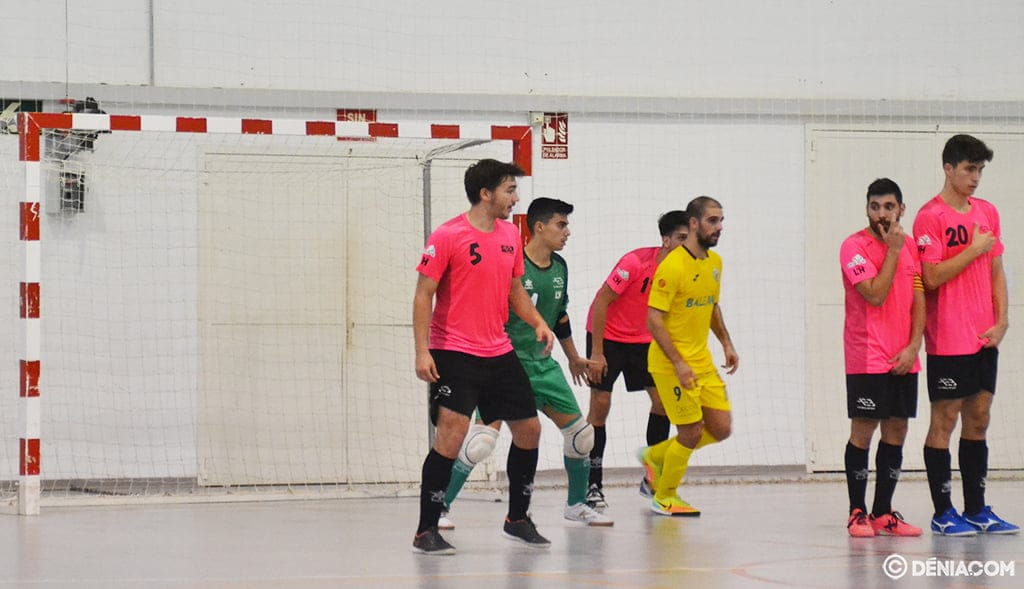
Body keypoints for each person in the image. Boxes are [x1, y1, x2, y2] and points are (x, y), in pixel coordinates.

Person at [440, 197, 613, 528]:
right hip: (506, 364)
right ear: (539, 227)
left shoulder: (560, 267)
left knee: (581, 436)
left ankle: (576, 504)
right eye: (561, 224)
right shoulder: (511, 262)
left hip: (543, 367)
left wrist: (573, 357)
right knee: (481, 442)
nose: (567, 232)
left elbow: (559, 317)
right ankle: (439, 507)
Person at [412, 159, 556, 555]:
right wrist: (422, 351)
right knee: (451, 437)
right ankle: (426, 530)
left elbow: (514, 290)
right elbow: (423, 295)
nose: (516, 198)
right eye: (510, 190)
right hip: (454, 351)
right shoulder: (448, 235)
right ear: (485, 193)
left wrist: (539, 322)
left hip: (499, 350)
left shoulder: (510, 234)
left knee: (529, 430)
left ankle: (517, 519)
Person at [912, 134, 1019, 536]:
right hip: (948, 336)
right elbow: (931, 277)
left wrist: (1002, 320)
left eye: (980, 170)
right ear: (948, 168)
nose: (975, 178)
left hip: (983, 335)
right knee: (945, 419)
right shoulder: (930, 216)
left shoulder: (988, 212)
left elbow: (996, 270)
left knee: (980, 418)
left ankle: (976, 509)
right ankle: (943, 513)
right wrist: (973, 249)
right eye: (969, 169)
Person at [583, 211, 689, 509]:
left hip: (645, 342)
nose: (687, 245)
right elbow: (601, 302)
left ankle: (652, 480)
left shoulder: (686, 271)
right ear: (666, 240)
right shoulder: (634, 262)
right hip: (608, 337)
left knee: (663, 403)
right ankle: (592, 484)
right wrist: (597, 353)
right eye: (681, 238)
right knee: (600, 405)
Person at [640, 196, 738, 516]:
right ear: (694, 223)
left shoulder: (715, 263)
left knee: (721, 428)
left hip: (702, 362)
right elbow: (654, 319)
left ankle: (655, 456)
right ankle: (664, 496)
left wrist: (726, 343)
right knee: (691, 431)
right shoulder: (672, 266)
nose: (719, 227)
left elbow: (712, 306)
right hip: (670, 363)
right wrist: (679, 363)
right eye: (712, 220)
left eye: (721, 220)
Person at [839, 178, 925, 537]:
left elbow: (919, 299)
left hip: (903, 356)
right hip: (867, 356)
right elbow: (874, 294)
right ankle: (857, 512)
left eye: (889, 207)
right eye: (874, 207)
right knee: (863, 430)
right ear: (866, 209)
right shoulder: (853, 247)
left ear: (901, 209)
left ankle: (883, 513)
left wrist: (913, 347)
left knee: (897, 430)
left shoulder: (910, 246)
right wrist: (891, 251)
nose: (881, 214)